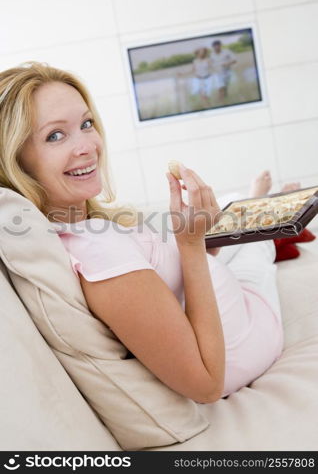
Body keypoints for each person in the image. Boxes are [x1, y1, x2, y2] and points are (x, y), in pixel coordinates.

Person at [0, 62, 300, 403]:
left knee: (238, 231)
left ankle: (253, 202)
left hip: (226, 300)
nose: (87, 146)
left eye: (86, 124)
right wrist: (189, 244)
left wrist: (197, 244)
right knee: (256, 251)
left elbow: (168, 286)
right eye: (55, 135)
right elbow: (206, 385)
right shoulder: (97, 250)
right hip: (252, 332)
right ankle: (257, 205)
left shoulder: (85, 226)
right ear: (15, 161)